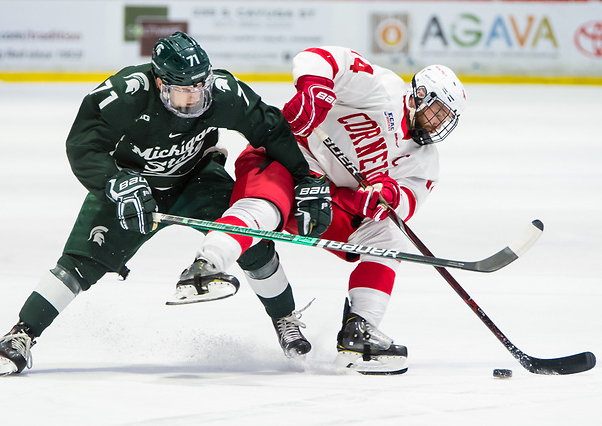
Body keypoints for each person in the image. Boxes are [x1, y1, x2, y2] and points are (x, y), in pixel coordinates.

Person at [0, 32, 331, 376]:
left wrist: (307, 178)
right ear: (160, 83)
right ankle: (20, 334)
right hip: (133, 188)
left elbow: (272, 131)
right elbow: (83, 146)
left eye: (199, 87)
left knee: (249, 238)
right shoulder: (124, 93)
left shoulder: (223, 93)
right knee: (80, 264)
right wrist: (115, 181)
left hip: (197, 179)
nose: (194, 98)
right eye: (183, 91)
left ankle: (284, 318)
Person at [183, 46, 466, 374]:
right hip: (286, 159)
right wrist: (315, 88)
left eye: (446, 120)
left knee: (389, 236)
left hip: (328, 199)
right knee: (266, 206)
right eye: (436, 113)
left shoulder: (425, 159)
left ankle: (359, 333)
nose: (437, 125)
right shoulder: (383, 89)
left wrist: (386, 197)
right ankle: (206, 264)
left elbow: (406, 201)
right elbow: (321, 58)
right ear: (416, 97)